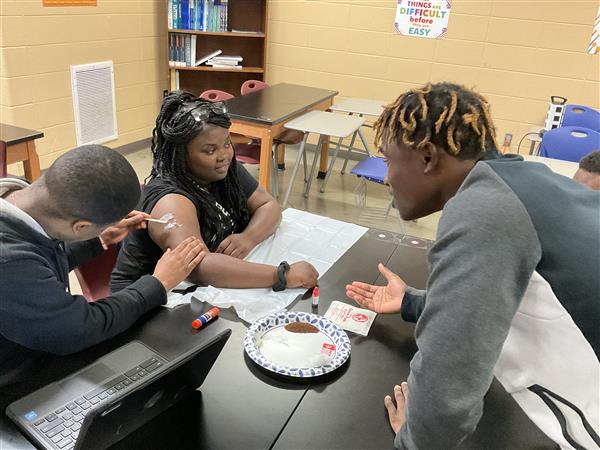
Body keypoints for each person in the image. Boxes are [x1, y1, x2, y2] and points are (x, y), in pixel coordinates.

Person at [345, 83, 599, 449]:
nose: (386, 177)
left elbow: (448, 380)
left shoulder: (483, 210)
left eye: (388, 161)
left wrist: (414, 440)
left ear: (428, 157)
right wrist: (412, 302)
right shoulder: (524, 181)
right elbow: (495, 302)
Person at [0, 145, 205, 389]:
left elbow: (41, 256)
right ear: (81, 227)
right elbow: (77, 329)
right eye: (97, 228)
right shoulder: (9, 261)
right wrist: (157, 283)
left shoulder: (20, 195)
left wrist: (99, 238)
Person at [110, 91, 318, 292]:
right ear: (181, 155)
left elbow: (268, 206)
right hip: (142, 301)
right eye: (210, 150)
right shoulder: (170, 200)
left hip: (194, 287)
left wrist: (247, 238)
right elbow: (197, 265)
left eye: (227, 143)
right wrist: (281, 276)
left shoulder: (224, 170)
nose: (224, 155)